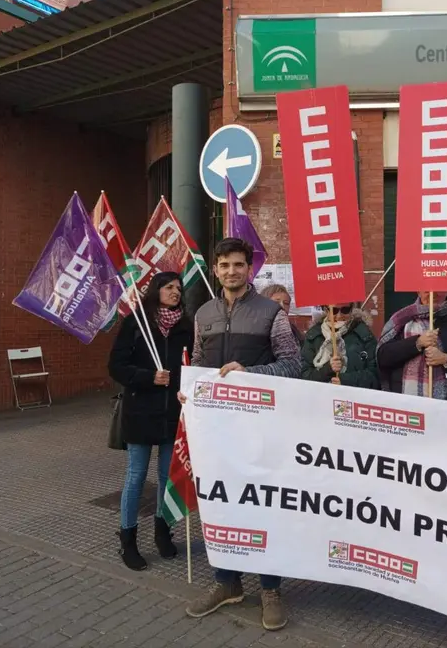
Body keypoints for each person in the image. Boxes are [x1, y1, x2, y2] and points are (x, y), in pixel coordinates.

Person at [182, 238, 301, 631]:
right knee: (220, 506)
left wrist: (252, 375)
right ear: (215, 269)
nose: (231, 271)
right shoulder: (203, 313)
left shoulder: (272, 313)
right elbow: (199, 363)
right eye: (224, 265)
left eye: (238, 264)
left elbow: (293, 365)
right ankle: (227, 583)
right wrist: (190, 390)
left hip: (259, 431)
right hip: (215, 433)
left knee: (262, 508)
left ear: (249, 269)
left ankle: (270, 590)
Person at [108, 271, 194, 571]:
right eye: (169, 287)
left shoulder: (186, 326)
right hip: (141, 412)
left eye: (179, 289)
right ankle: (128, 539)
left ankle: (162, 532)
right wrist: (148, 377)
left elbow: (193, 364)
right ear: (156, 290)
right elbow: (116, 366)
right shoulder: (137, 323)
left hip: (173, 414)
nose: (175, 292)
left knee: (167, 478)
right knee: (136, 477)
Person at [376, 291, 447, 402]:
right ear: (418, 291)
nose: (433, 293)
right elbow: (382, 357)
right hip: (406, 405)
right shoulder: (401, 319)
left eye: (439, 289)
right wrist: (417, 343)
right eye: (426, 290)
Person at [300, 303, 379, 388]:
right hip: (322, 396)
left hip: (353, 397)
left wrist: (346, 380)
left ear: (351, 309)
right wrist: (328, 369)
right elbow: (305, 376)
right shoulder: (313, 336)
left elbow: (375, 375)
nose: (339, 316)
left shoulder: (364, 335)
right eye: (334, 310)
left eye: (345, 310)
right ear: (326, 310)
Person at [259, 283, 304, 347]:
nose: (282, 306)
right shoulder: (257, 331)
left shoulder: (293, 330)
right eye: (276, 302)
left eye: (286, 303)